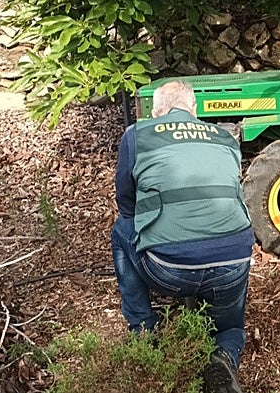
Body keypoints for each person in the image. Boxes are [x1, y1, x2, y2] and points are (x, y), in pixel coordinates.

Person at [111, 80, 255, 393]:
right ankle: (225, 354)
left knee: (121, 230)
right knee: (229, 325)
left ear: (156, 110)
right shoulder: (226, 137)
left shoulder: (137, 134)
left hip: (168, 267)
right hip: (234, 258)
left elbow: (125, 201)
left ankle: (143, 331)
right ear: (195, 110)